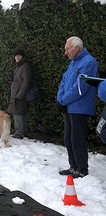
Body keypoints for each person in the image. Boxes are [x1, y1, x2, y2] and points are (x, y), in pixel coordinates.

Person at [56, 36, 98, 178]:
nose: (65, 52)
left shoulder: (89, 62)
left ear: (77, 48)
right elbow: (64, 81)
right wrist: (60, 99)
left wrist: (63, 101)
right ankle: (73, 166)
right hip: (69, 107)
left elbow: (80, 87)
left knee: (77, 139)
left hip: (80, 108)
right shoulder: (73, 63)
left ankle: (82, 169)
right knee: (68, 138)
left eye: (67, 49)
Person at [7, 49, 33, 139]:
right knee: (20, 113)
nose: (17, 57)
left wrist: (19, 95)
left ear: (22, 56)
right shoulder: (19, 66)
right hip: (16, 93)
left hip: (19, 94)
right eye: (16, 56)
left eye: (19, 56)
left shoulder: (24, 66)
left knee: (17, 113)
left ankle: (19, 133)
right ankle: (23, 132)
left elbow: (26, 82)